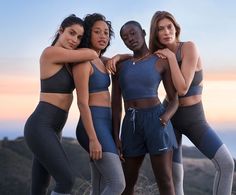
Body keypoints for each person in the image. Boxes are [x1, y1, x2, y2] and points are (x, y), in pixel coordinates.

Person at [149, 11, 235, 195]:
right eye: (160, 29)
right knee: (175, 176)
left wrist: (171, 58)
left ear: (176, 27)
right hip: (170, 118)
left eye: (169, 27)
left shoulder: (188, 48)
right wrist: (118, 58)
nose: (166, 32)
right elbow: (138, 59)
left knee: (226, 164)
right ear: (155, 34)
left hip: (194, 118)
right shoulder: (156, 55)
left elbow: (182, 88)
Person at [24, 14, 99, 195]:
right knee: (66, 180)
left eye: (79, 37)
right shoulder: (50, 52)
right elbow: (92, 53)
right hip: (40, 126)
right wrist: (87, 48)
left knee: (40, 185)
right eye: (71, 33)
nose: (74, 40)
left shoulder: (68, 60)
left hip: (54, 129)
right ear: (60, 31)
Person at [111, 20, 178, 195]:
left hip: (156, 120)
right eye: (125, 37)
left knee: (164, 180)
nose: (130, 39)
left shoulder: (161, 60)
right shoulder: (120, 66)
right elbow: (116, 104)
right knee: (127, 183)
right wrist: (116, 135)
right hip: (131, 124)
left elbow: (174, 99)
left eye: (133, 33)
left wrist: (164, 118)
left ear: (143, 32)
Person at [72, 13, 126, 195]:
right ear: (88, 33)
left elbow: (131, 56)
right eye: (97, 32)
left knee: (100, 186)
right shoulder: (83, 62)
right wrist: (93, 139)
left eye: (106, 32)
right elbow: (81, 103)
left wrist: (117, 56)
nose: (103, 36)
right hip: (93, 124)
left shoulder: (102, 61)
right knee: (118, 184)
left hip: (106, 123)